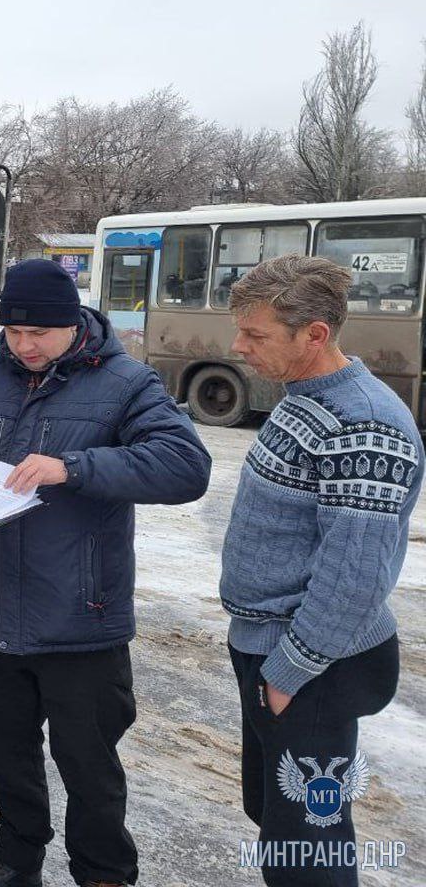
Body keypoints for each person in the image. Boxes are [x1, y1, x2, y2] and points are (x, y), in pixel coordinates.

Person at [0, 259, 211, 887]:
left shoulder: (127, 383)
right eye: (14, 333)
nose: (24, 346)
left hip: (80, 617)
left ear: (73, 324)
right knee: (9, 751)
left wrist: (72, 468)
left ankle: (103, 873)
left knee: (88, 764)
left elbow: (186, 467)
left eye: (39, 335)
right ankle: (17, 858)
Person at [220, 256, 420, 886]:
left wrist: (290, 671)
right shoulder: (305, 397)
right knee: (279, 819)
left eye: (256, 335)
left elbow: (354, 578)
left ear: (314, 334)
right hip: (276, 648)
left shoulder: (364, 423)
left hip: (314, 664)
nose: (238, 346)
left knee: (310, 843)